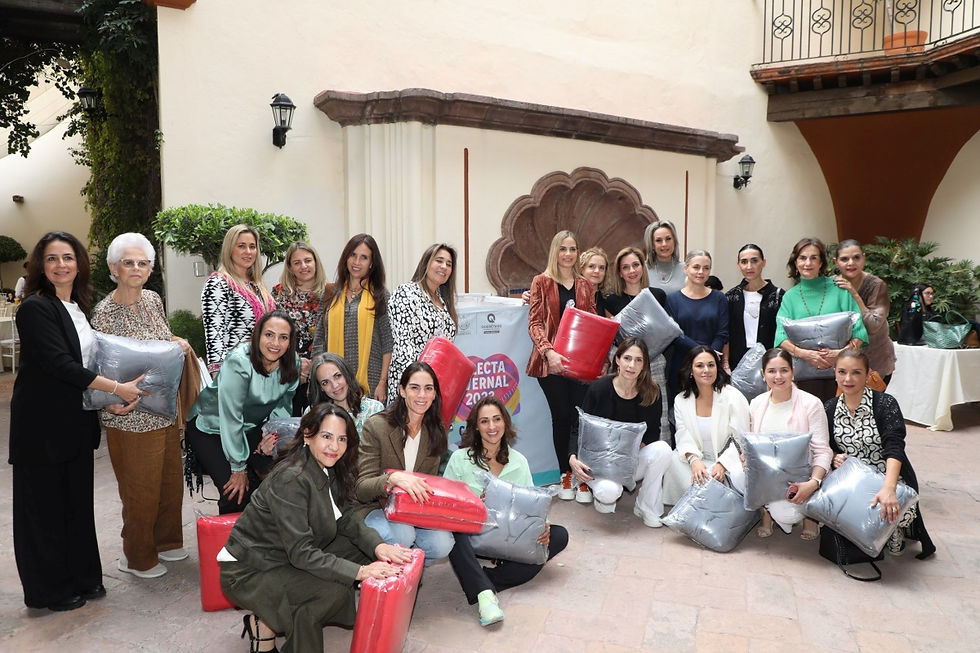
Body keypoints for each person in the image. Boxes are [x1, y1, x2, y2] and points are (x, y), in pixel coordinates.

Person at [10, 231, 144, 611]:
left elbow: (87, 368)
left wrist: (106, 403)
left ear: (79, 264)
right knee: (44, 512)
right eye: (52, 259)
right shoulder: (35, 308)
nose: (61, 265)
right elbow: (60, 365)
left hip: (75, 423)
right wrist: (118, 388)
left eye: (67, 257)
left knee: (75, 506)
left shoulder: (78, 308)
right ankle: (49, 590)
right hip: (42, 427)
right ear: (41, 266)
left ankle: (83, 578)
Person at [220, 403, 413, 653]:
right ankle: (267, 628)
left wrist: (379, 547)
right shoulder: (291, 478)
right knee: (330, 591)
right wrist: (361, 572)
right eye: (327, 436)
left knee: (364, 551)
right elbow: (301, 552)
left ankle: (269, 623)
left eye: (342, 439)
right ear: (308, 435)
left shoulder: (325, 467)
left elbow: (346, 518)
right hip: (251, 570)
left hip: (284, 555)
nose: (335, 446)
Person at [90, 233, 194, 579]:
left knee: (168, 482)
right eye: (128, 262)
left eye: (143, 263)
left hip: (162, 409)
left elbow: (160, 339)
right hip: (129, 414)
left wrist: (176, 340)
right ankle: (137, 556)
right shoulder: (104, 312)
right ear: (113, 268)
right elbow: (97, 368)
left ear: (150, 269)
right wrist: (109, 408)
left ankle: (166, 542)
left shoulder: (152, 300)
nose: (136, 268)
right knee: (140, 489)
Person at [443, 396, 569, 626]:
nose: (492, 427)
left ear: (505, 422)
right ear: (475, 426)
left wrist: (544, 526)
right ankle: (484, 595)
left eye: (497, 419)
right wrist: (474, 504)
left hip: (510, 536)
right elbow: (445, 503)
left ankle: (481, 581)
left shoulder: (518, 461)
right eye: (484, 421)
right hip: (474, 535)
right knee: (451, 533)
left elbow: (533, 502)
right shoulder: (460, 459)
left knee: (559, 536)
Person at [186, 310, 300, 514]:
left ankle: (263, 539)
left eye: (283, 337)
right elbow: (231, 416)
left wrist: (271, 438)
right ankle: (231, 543)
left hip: (251, 426)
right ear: (257, 335)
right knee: (236, 492)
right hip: (211, 426)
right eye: (269, 335)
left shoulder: (293, 363)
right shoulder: (239, 361)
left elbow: (282, 406)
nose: (275, 343)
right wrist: (238, 467)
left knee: (274, 479)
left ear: (290, 342)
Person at [825, 349, 935, 558]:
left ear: (868, 375)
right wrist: (833, 456)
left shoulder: (885, 404)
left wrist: (889, 489)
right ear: (835, 373)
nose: (848, 379)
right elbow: (825, 446)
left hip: (887, 476)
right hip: (853, 481)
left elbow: (895, 447)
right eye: (842, 372)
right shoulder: (830, 408)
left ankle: (893, 531)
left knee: (897, 511)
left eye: (856, 373)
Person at [355, 362, 455, 563]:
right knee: (403, 535)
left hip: (411, 510)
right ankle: (385, 571)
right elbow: (361, 488)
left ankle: (407, 570)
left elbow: (430, 483)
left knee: (443, 543)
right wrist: (392, 478)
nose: (422, 395)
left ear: (435, 394)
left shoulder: (436, 431)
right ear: (402, 390)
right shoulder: (377, 426)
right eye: (414, 388)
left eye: (428, 389)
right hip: (374, 506)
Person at [569, 338, 673, 525]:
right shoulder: (598, 389)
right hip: (599, 464)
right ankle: (602, 494)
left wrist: (633, 448)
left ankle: (645, 505)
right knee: (609, 494)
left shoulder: (651, 392)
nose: (632, 365)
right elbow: (578, 428)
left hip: (630, 460)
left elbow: (652, 433)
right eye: (627, 358)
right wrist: (572, 458)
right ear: (617, 360)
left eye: (638, 360)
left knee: (663, 449)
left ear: (644, 365)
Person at [526, 230, 596, 500]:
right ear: (555, 251)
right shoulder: (541, 282)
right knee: (562, 419)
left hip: (580, 366)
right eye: (563, 249)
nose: (568, 254)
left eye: (573, 249)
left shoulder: (585, 285)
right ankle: (565, 477)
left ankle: (583, 479)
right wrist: (548, 352)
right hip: (550, 366)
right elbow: (534, 323)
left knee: (581, 420)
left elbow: (590, 324)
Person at [748, 348, 831, 540]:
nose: (778, 376)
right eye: (771, 371)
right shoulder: (756, 404)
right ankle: (766, 514)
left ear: (793, 371)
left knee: (787, 514)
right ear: (763, 374)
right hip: (767, 475)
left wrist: (813, 483)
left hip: (799, 477)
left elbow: (822, 452)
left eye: (784, 370)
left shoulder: (812, 404)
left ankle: (809, 517)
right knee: (735, 474)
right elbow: (752, 446)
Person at [775, 237, 868, 402]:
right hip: (805, 376)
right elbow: (780, 336)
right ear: (795, 262)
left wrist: (839, 354)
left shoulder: (840, 290)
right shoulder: (789, 297)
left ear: (821, 262)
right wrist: (806, 354)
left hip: (843, 374)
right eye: (802, 258)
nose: (807, 263)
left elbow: (859, 331)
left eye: (813, 257)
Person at [663, 346, 749, 505]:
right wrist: (694, 461)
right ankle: (693, 506)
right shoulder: (681, 400)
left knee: (738, 476)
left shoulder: (732, 396)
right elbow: (682, 435)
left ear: (717, 368)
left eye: (711, 365)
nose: (706, 370)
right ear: (690, 370)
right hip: (699, 458)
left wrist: (723, 464)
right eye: (700, 365)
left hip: (730, 460)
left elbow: (741, 436)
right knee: (672, 460)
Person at [603, 246, 672, 445]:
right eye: (626, 267)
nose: (632, 271)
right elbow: (610, 338)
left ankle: (659, 457)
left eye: (635, 265)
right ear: (619, 272)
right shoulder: (612, 300)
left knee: (658, 412)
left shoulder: (657, 295)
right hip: (626, 365)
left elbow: (667, 330)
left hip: (654, 362)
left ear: (643, 266)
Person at [312, 234, 392, 403]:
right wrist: (318, 379)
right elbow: (319, 340)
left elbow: (387, 343)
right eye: (353, 255)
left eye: (364, 257)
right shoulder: (330, 293)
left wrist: (382, 383)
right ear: (346, 258)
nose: (357, 262)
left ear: (371, 263)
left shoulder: (381, 295)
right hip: (333, 384)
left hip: (370, 380)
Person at [387, 243, 458, 403]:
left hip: (435, 388)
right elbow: (403, 347)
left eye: (449, 264)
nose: (444, 267)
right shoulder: (406, 293)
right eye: (439, 260)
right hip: (412, 386)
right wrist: (419, 385)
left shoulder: (443, 301)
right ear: (426, 262)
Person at [202, 224, 277, 375]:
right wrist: (218, 376)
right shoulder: (219, 283)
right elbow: (214, 333)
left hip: (265, 370)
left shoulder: (258, 286)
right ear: (230, 249)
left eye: (252, 246)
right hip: (236, 370)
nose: (248, 252)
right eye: (241, 246)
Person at [666, 250, 729, 398]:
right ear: (685, 269)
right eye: (696, 267)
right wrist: (704, 353)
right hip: (682, 364)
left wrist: (709, 357)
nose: (701, 272)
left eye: (706, 268)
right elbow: (675, 334)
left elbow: (723, 332)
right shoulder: (672, 300)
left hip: (711, 366)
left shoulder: (719, 298)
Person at [272, 242, 326, 415]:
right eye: (297, 262)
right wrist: (295, 364)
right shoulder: (278, 294)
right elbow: (272, 334)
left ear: (316, 263)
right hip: (287, 370)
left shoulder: (331, 293)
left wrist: (315, 366)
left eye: (308, 261)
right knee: (288, 428)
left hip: (322, 370)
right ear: (290, 267)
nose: (304, 266)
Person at [833, 240, 896, 384]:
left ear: (864, 258)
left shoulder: (877, 285)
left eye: (856, 257)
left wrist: (854, 294)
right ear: (836, 262)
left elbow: (873, 326)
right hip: (841, 363)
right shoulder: (831, 285)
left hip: (875, 362)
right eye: (844, 259)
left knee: (868, 405)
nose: (851, 263)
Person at [723, 244, 784, 372]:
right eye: (744, 262)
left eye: (754, 261)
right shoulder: (731, 297)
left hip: (771, 363)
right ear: (738, 265)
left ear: (763, 262)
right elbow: (725, 334)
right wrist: (725, 364)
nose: (749, 266)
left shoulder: (778, 296)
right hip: (737, 364)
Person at [308, 352, 384, 435]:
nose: (335, 385)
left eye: (337, 376)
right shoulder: (312, 412)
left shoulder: (374, 409)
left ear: (347, 374)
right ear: (320, 388)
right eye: (325, 382)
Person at [643, 219, 686, 295]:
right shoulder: (642, 270)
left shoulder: (686, 270)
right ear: (652, 245)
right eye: (658, 240)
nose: (664, 244)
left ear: (674, 241)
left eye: (668, 239)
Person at [579, 246, 610, 317]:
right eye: (591, 266)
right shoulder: (572, 293)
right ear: (582, 269)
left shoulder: (607, 299)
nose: (597, 271)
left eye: (601, 268)